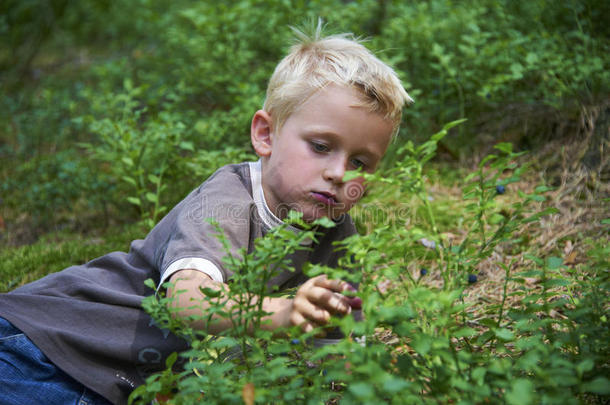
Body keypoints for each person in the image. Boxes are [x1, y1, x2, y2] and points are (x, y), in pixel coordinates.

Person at [0, 27, 412, 405]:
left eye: (361, 161)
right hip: (46, 343)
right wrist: (285, 313)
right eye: (321, 146)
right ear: (265, 135)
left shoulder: (336, 230)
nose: (339, 173)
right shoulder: (228, 200)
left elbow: (337, 344)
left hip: (112, 382)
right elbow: (186, 301)